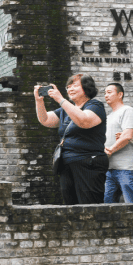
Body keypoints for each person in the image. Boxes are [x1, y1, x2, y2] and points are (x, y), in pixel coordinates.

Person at [34, 74, 108, 205]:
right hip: (66, 163)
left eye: (75, 85)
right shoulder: (65, 109)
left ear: (87, 88)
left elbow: (84, 121)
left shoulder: (95, 105)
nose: (70, 89)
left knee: (89, 205)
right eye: (68, 87)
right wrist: (39, 101)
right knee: (70, 206)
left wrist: (60, 99)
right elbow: (45, 120)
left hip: (88, 163)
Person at [102, 83, 133, 203]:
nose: (105, 95)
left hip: (126, 168)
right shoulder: (108, 116)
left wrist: (110, 150)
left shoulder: (127, 110)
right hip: (109, 168)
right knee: (107, 206)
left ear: (120, 94)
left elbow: (127, 136)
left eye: (109, 92)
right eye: (104, 93)